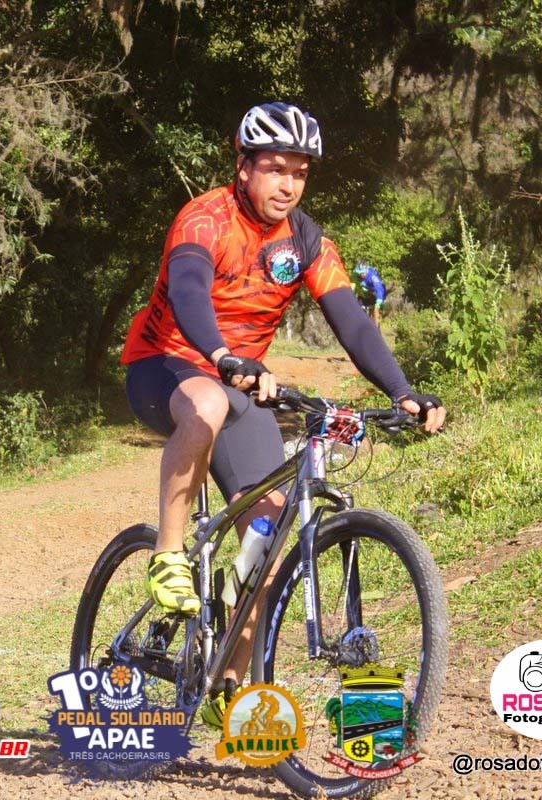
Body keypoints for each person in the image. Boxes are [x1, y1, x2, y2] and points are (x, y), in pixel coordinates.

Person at [119, 102, 446, 726]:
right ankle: (168, 555)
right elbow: (187, 291)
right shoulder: (204, 219)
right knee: (209, 400)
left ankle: (225, 684)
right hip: (166, 366)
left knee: (264, 542)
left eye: (299, 172)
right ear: (244, 167)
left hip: (241, 384)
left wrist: (403, 391)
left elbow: (350, 319)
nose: (288, 184)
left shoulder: (306, 240)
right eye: (274, 168)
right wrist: (220, 354)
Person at [354, 260, 388, 326]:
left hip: (378, 291)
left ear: (366, 270)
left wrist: (378, 303)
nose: (361, 275)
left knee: (375, 309)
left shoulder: (373, 276)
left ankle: (376, 327)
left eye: (363, 273)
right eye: (359, 273)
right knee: (359, 307)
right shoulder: (357, 274)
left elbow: (379, 289)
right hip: (367, 290)